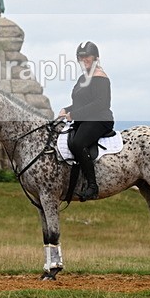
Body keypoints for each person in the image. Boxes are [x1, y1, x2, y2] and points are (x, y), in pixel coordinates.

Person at [58, 41, 114, 201]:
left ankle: (92, 187)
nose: (83, 60)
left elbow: (101, 103)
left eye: (87, 56)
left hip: (99, 119)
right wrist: (66, 109)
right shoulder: (83, 78)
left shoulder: (100, 77)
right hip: (85, 119)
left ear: (95, 57)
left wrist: (75, 114)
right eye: (80, 57)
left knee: (77, 143)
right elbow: (80, 103)